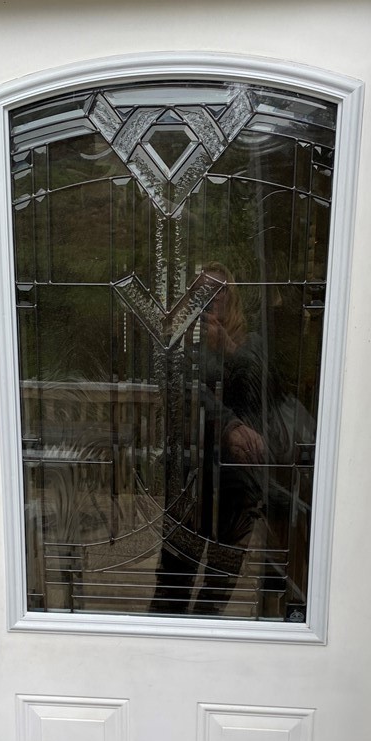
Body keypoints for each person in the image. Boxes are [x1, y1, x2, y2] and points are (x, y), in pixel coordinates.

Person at [149, 263, 277, 616]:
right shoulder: (180, 342)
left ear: (231, 297)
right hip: (191, 472)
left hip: (236, 478)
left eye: (219, 290)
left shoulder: (250, 343)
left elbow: (265, 393)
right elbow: (181, 390)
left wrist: (230, 349)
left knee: (222, 574)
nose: (210, 298)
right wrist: (229, 426)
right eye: (202, 291)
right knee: (175, 570)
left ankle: (205, 642)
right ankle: (161, 640)